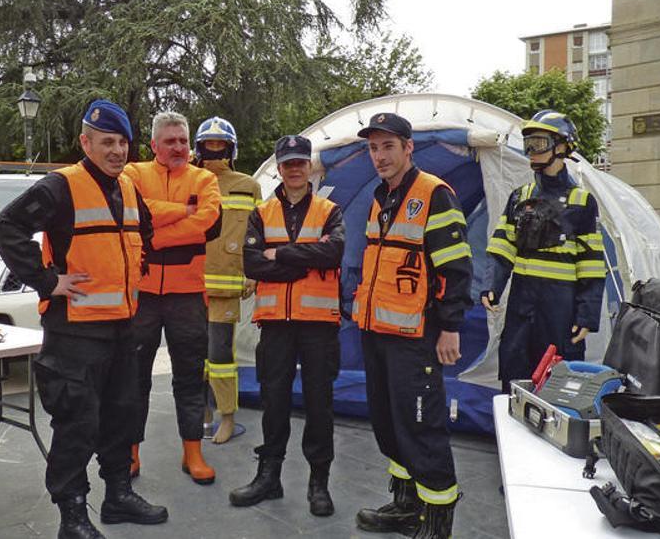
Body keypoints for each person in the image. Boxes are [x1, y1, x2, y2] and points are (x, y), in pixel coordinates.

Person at [0, 99, 169, 539]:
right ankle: (72, 516)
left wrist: (137, 267)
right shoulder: (61, 186)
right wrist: (46, 280)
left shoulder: (127, 188)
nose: (116, 150)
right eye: (106, 142)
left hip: (123, 325)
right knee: (77, 424)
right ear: (85, 142)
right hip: (75, 331)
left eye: (122, 142)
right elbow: (7, 226)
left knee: (121, 415)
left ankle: (118, 496)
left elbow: (142, 232)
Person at [351, 113, 471, 538]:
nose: (380, 156)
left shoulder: (434, 194)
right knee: (388, 422)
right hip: (377, 332)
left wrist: (450, 327)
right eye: (373, 148)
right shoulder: (379, 197)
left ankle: (437, 523)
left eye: (388, 146)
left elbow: (455, 269)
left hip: (415, 338)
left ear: (408, 148)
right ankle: (406, 506)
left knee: (422, 427)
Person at [230, 135, 343, 516]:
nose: (295, 169)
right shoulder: (261, 213)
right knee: (273, 401)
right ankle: (269, 477)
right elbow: (251, 263)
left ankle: (319, 483)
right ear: (278, 168)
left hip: (318, 326)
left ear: (309, 166)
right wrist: (304, 263)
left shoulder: (330, 210)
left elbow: (334, 251)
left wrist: (279, 254)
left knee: (319, 404)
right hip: (275, 324)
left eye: (300, 162)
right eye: (287, 163)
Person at [125, 112, 222, 484]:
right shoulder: (133, 175)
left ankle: (192, 453)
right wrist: (184, 212)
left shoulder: (205, 178)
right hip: (143, 293)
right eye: (171, 141)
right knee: (134, 377)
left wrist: (154, 233)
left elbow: (208, 221)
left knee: (189, 376)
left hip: (187, 295)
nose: (179, 147)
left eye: (183, 140)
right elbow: (136, 214)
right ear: (154, 146)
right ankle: (130, 452)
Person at [481, 109, 606, 391]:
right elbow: (501, 247)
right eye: (528, 145)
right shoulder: (520, 197)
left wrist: (586, 316)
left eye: (539, 143)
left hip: (559, 311)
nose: (531, 151)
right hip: (521, 309)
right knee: (513, 374)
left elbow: (591, 264)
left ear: (562, 147)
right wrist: (491, 285)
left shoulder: (581, 202)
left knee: (557, 382)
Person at [194, 116, 259, 445]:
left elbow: (258, 235)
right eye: (209, 145)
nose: (214, 152)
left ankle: (227, 417)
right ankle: (202, 414)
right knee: (194, 356)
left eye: (221, 146)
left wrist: (254, 274)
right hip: (189, 287)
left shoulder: (248, 185)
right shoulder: (188, 181)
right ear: (199, 148)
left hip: (228, 287)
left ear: (232, 149)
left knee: (220, 356)